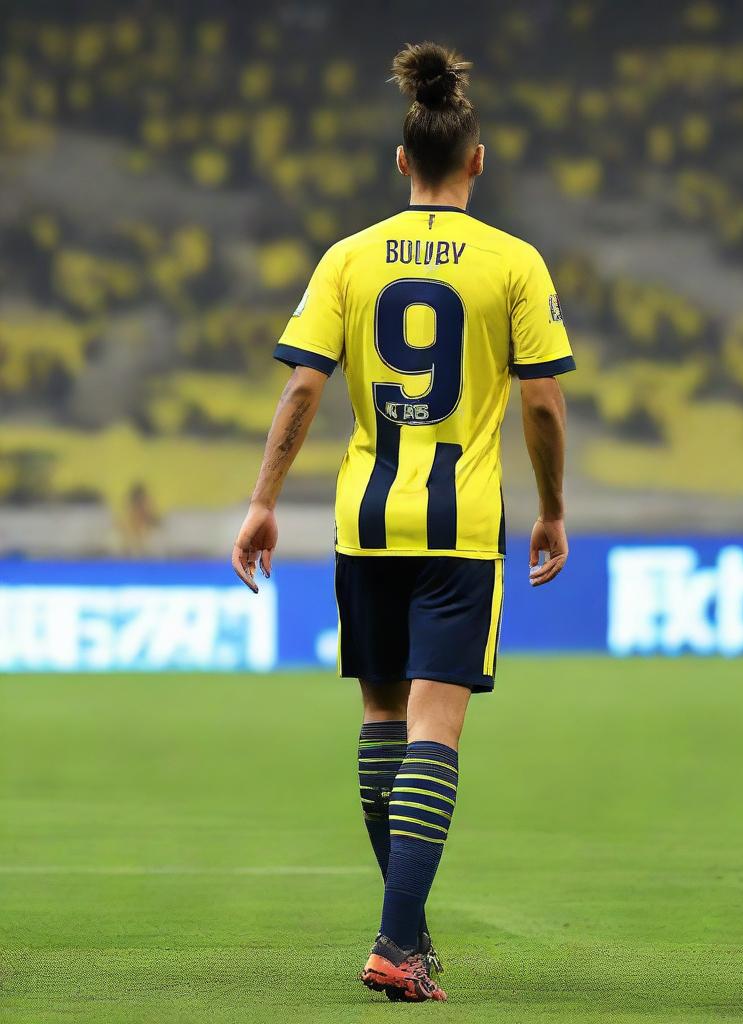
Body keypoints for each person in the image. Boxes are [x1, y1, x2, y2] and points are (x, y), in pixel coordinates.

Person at [230, 41, 574, 1003]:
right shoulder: (513, 262)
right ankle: (394, 940)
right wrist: (549, 509)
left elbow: (303, 387)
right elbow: (544, 405)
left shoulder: (347, 258)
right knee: (435, 727)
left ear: (399, 161)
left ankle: (406, 934)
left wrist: (263, 498)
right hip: (459, 526)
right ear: (476, 160)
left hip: (364, 522)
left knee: (383, 717)